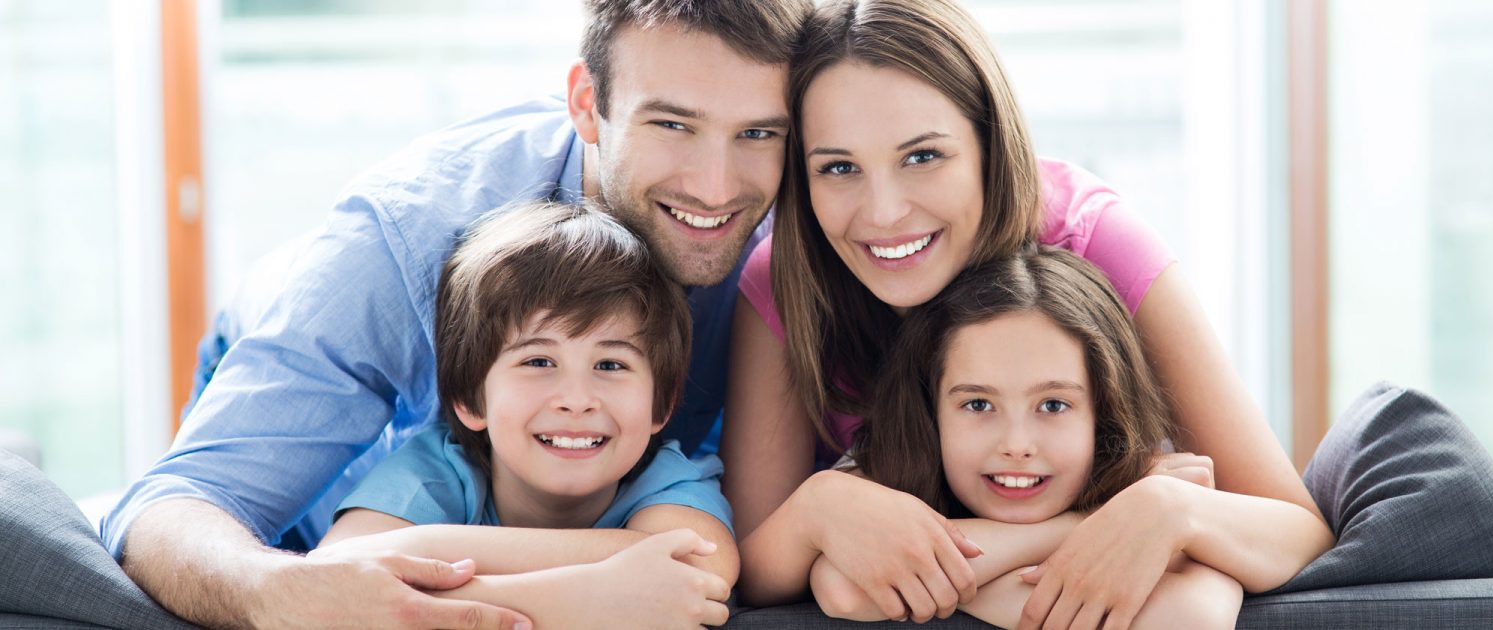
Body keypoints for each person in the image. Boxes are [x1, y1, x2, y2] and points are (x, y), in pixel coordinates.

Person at [101, 1, 809, 627]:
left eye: (758, 134)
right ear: (588, 103)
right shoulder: (410, 235)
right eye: (673, 123)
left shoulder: (802, 221)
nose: (717, 188)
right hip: (336, 432)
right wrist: (282, 592)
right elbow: (170, 506)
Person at [722, 0, 1332, 626]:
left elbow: (1298, 531)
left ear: (990, 145)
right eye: (840, 168)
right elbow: (755, 575)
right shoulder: (786, 279)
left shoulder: (1095, 240)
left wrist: (1172, 512)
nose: (882, 213)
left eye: (923, 156)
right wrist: (820, 508)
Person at [312, 201, 734, 628]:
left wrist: (423, 545)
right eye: (538, 362)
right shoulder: (434, 472)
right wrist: (582, 599)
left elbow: (701, 570)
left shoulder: (669, 479)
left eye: (610, 365)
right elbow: (338, 574)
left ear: (660, 404)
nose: (577, 399)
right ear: (471, 398)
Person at [809, 247, 1243, 628]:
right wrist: (1091, 524)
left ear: (1102, 414)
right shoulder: (887, 474)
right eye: (978, 405)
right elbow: (842, 586)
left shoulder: (1150, 491)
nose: (1017, 445)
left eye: (1053, 405)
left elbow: (1196, 615)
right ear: (931, 412)